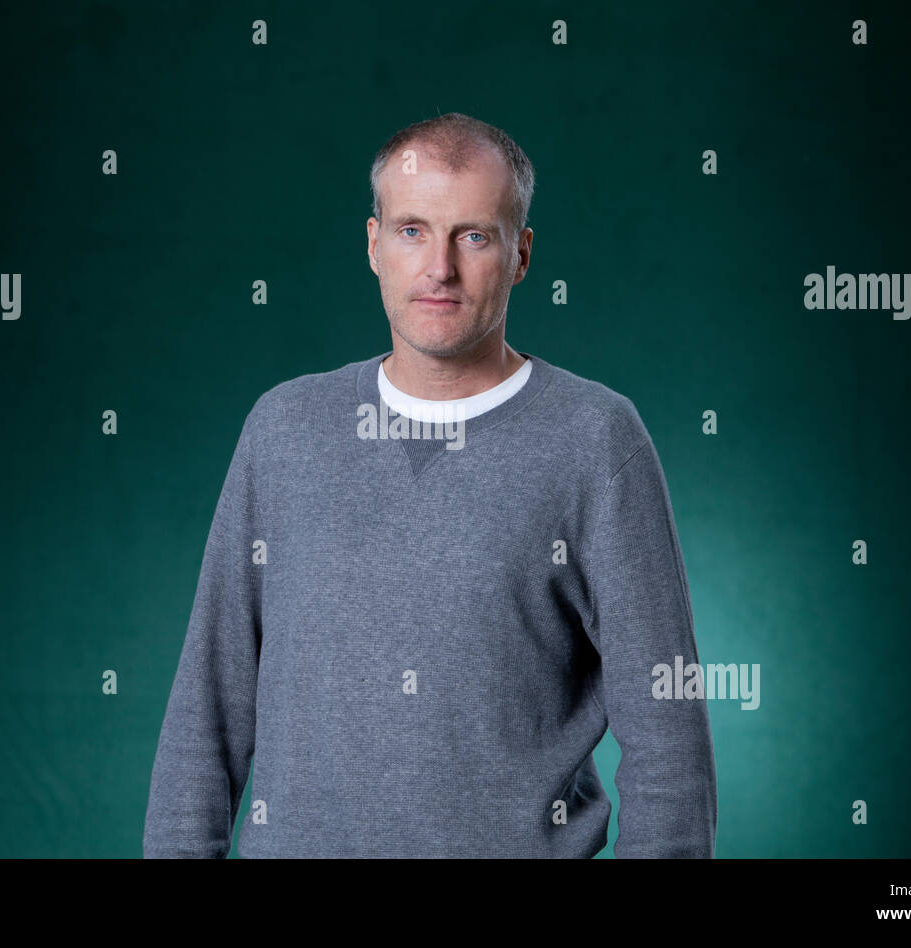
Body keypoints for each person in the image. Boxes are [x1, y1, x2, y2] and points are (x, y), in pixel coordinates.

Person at [142, 112, 717, 858]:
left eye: (473, 235)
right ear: (373, 244)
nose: (439, 268)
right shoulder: (285, 431)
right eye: (413, 231)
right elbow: (206, 711)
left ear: (521, 255)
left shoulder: (595, 440)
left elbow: (668, 744)